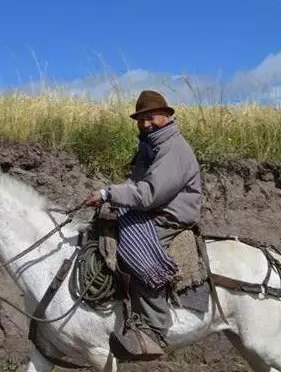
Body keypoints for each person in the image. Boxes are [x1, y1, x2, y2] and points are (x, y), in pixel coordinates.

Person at [84, 89, 203, 359]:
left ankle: (155, 328)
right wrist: (113, 199)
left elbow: (149, 193)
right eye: (141, 119)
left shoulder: (172, 148)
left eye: (151, 117)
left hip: (170, 214)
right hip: (156, 207)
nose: (146, 123)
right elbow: (139, 187)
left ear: (166, 115)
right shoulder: (152, 145)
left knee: (134, 248)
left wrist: (108, 193)